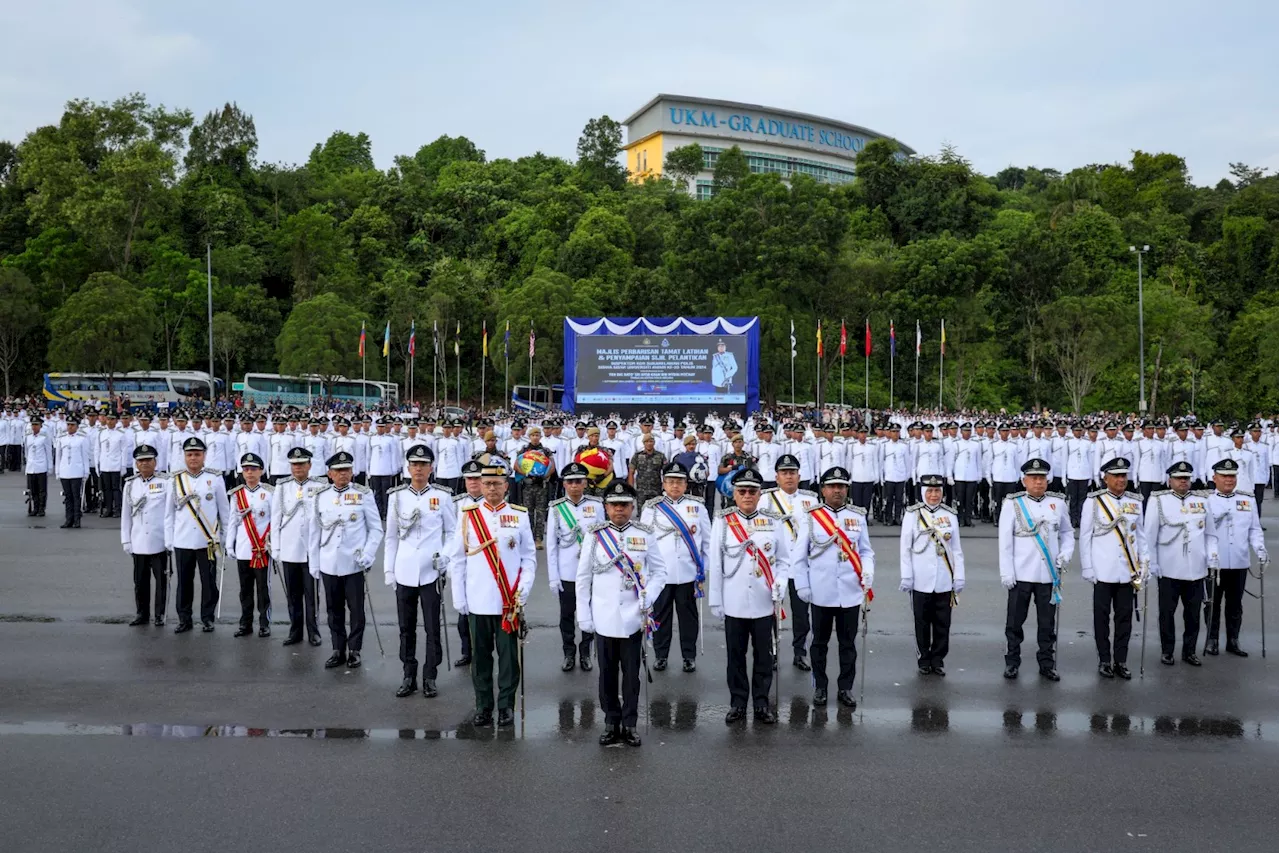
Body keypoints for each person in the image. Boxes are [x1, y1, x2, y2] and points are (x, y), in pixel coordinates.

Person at [576, 479, 668, 747]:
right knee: (606, 674)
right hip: (603, 617)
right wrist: (585, 615)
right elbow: (583, 578)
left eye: (625, 505)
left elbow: (660, 572)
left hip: (633, 618)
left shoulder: (645, 533)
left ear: (633, 507)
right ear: (606, 507)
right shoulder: (595, 535)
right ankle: (610, 721)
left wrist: (648, 597)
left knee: (631, 675)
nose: (619, 510)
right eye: (615, 505)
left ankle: (629, 723)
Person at [448, 461, 537, 728]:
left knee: (509, 660)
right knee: (481, 659)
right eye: (487, 483)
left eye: (497, 483)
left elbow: (528, 559)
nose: (492, 488)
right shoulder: (468, 515)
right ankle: (483, 706)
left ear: (506, 486)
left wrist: (522, 592)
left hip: (508, 603)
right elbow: (458, 559)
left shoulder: (519, 515)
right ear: (480, 485)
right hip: (478, 599)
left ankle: (506, 707)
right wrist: (459, 597)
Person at [708, 467, 789, 725]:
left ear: (759, 494)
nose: (746, 495)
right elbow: (716, 563)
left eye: (752, 491)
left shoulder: (773, 520)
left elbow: (785, 560)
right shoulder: (722, 521)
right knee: (736, 656)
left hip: (764, 601)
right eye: (741, 491)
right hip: (734, 601)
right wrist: (716, 600)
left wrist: (781, 583)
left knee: (764, 657)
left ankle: (762, 703)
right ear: (734, 493)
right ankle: (738, 702)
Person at [793, 466, 875, 707]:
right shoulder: (811, 516)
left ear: (847, 489)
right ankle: (819, 686)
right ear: (823, 490)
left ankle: (845, 687)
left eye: (841, 486)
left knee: (848, 644)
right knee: (819, 643)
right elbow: (799, 556)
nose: (837, 491)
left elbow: (866, 551)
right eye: (832, 486)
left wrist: (868, 571)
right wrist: (802, 585)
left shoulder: (858, 516)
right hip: (821, 591)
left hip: (850, 591)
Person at [384, 444, 457, 699]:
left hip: (431, 572)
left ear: (431, 468)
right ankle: (408, 674)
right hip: (404, 569)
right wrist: (389, 570)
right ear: (408, 468)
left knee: (432, 627)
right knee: (406, 627)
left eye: (423, 464)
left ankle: (430, 676)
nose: (418, 469)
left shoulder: (443, 496)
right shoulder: (396, 496)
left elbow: (452, 532)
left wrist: (445, 557)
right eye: (414, 464)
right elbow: (391, 536)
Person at [999, 458, 1074, 680]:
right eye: (1033, 478)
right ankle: (1012, 662)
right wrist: (1007, 571)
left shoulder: (1058, 503)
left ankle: (1046, 663)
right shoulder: (1012, 504)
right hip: (1021, 573)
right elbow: (1005, 542)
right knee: (1014, 623)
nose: (1038, 482)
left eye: (1042, 478)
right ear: (1024, 481)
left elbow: (1067, 533)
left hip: (1048, 575)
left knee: (1047, 624)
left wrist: (1066, 553)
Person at [308, 450, 383, 669]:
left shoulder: (363, 494)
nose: (343, 474)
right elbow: (314, 533)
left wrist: (368, 554)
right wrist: (314, 562)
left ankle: (355, 649)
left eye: (347, 470)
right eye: (338, 471)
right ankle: (337, 648)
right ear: (330, 474)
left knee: (356, 610)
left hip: (353, 563)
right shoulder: (320, 496)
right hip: (329, 562)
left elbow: (376, 529)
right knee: (334, 610)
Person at [1079, 458, 1150, 679]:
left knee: (1124, 618)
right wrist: (1088, 567)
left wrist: (1145, 563)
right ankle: (1104, 660)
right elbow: (1085, 537)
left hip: (1126, 571)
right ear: (1105, 478)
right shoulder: (1094, 501)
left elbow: (1141, 535)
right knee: (1101, 618)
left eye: (1124, 476)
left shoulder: (1135, 502)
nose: (1121, 480)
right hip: (1103, 570)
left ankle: (1121, 660)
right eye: (1116, 476)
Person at [640, 461, 711, 673]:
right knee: (660, 616)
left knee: (688, 618)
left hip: (688, 573)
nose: (674, 486)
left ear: (685, 483)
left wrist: (703, 569)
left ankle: (689, 656)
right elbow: (643, 544)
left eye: (679, 482)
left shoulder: (697, 507)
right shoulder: (651, 508)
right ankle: (661, 655)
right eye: (670, 481)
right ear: (664, 483)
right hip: (661, 574)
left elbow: (706, 542)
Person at [1145, 460, 1214, 666]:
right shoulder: (1158, 500)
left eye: (1186, 478)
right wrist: (1152, 563)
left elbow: (1210, 534)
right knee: (1167, 613)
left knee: (1193, 614)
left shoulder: (1202, 500)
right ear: (1170, 480)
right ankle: (1167, 650)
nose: (1183, 482)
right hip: (1169, 567)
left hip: (1196, 568)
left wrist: (1212, 555)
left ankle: (1189, 650)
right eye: (1179, 478)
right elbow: (1149, 536)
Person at [899, 473, 964, 676]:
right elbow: (905, 548)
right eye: (930, 491)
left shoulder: (950, 515)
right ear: (922, 492)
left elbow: (956, 549)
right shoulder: (912, 514)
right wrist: (907, 575)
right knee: (922, 621)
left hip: (944, 577)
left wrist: (959, 575)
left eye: (937, 491)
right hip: (920, 579)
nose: (934, 495)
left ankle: (938, 659)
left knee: (943, 622)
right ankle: (923, 658)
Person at [164, 436, 230, 633]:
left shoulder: (215, 478)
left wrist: (224, 539)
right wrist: (169, 540)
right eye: (190, 454)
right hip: (182, 540)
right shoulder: (175, 479)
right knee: (184, 582)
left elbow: (224, 511)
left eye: (197, 454)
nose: (193, 458)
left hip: (207, 540)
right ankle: (184, 618)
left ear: (204, 456)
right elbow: (169, 513)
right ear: (184, 456)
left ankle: (207, 617)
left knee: (208, 581)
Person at [761, 454, 819, 671]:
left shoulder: (811, 501)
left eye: (792, 473)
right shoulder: (766, 499)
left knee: (802, 615)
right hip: (774, 567)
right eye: (784, 473)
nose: (788, 477)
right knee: (770, 612)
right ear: (776, 477)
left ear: (799, 476)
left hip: (800, 567)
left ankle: (800, 652)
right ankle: (772, 652)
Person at [1205, 458, 1268, 657]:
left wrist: (1260, 548)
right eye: (1224, 476)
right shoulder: (1206, 501)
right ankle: (1212, 639)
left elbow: (1254, 529)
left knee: (1235, 604)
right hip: (1215, 562)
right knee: (1212, 603)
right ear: (1214, 478)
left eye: (1232, 476)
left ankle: (1233, 639)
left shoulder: (1247, 500)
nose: (1229, 480)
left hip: (1239, 561)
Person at [546, 462, 603, 672]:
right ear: (564, 484)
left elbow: (603, 539)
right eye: (570, 482)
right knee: (567, 616)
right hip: (567, 571)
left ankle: (586, 652)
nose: (574, 486)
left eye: (578, 481)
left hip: (590, 571)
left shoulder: (597, 506)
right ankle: (569, 652)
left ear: (585, 483)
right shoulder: (556, 508)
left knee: (589, 613)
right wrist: (554, 577)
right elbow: (551, 545)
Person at [270, 447, 326, 647]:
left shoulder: (320, 486)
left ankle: (313, 631)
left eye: (302, 464)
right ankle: (295, 631)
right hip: (289, 548)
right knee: (293, 595)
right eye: (294, 464)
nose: (298, 468)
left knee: (312, 595)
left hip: (311, 550)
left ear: (309, 465)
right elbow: (275, 517)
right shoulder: (283, 487)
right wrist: (276, 547)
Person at [120, 444, 171, 627]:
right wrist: (126, 539)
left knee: (161, 581)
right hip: (139, 540)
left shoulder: (166, 482)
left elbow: (169, 514)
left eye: (148, 460)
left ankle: (160, 614)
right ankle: (142, 613)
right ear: (136, 463)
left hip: (159, 540)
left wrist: (170, 539)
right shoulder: (130, 485)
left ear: (155, 462)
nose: (145, 464)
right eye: (141, 461)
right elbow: (126, 515)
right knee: (140, 582)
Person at [226, 453, 275, 638]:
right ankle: (245, 623)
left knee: (263, 588)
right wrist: (230, 545)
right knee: (245, 589)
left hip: (261, 548)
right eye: (246, 469)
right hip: (244, 548)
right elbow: (232, 521)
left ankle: (264, 623)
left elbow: (274, 521)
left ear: (261, 471)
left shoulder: (269, 492)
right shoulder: (237, 494)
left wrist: (274, 546)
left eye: (253, 469)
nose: (250, 473)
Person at [54, 418, 91, 528]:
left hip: (77, 471)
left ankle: (77, 519)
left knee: (76, 496)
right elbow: (58, 456)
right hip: (65, 471)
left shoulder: (82, 439)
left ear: (77, 426)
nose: (70, 427)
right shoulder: (61, 438)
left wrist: (86, 471)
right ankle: (68, 519)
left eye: (72, 425)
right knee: (67, 497)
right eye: (68, 424)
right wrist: (57, 471)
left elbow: (85, 456)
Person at [24, 416, 53, 517]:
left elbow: (49, 452)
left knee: (42, 490)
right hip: (31, 466)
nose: (34, 427)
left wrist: (50, 467)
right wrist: (28, 465)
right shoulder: (28, 436)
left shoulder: (45, 436)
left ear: (41, 426)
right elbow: (26, 452)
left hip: (41, 466)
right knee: (33, 489)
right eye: (33, 425)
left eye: (36, 425)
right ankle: (35, 508)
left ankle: (42, 508)